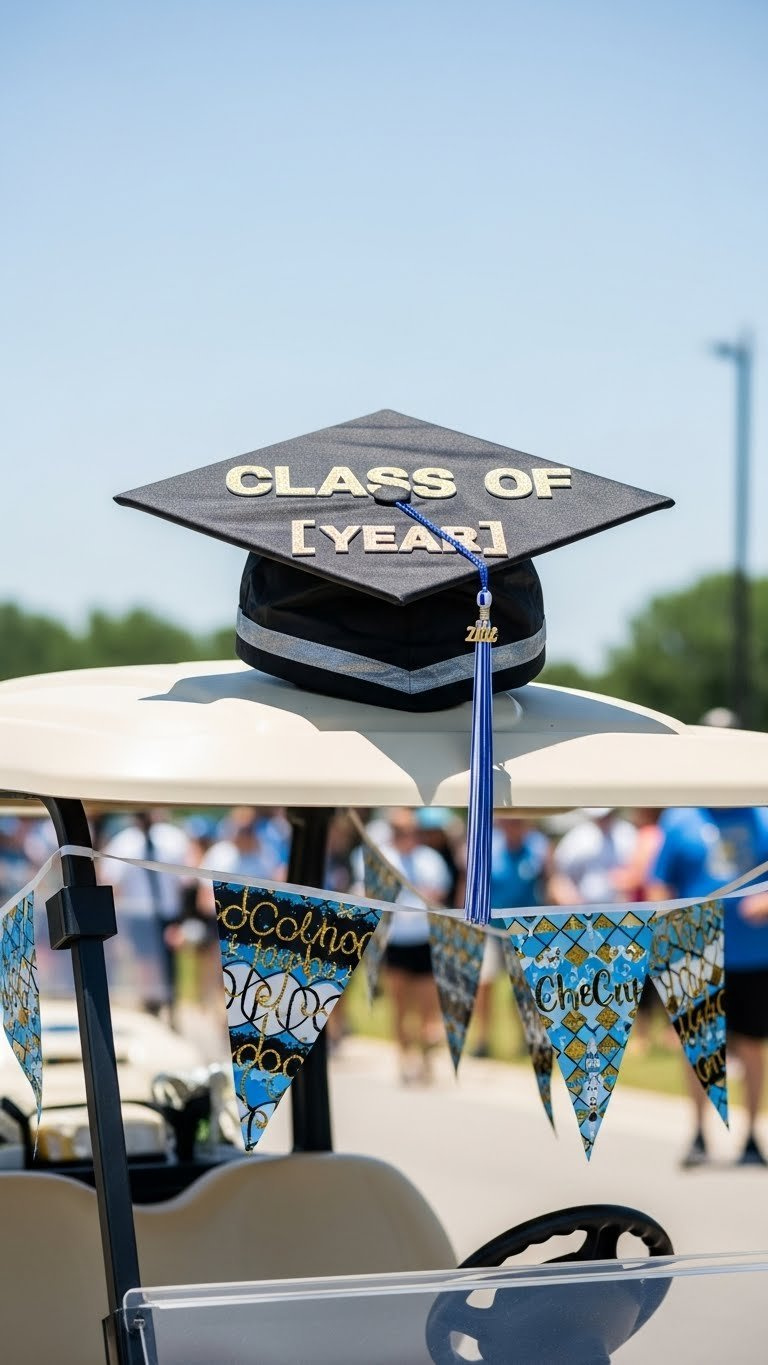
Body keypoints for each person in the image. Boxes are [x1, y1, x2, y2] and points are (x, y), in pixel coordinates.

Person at [650, 806, 768, 1167]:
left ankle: (751, 1137)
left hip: (754, 955)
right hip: (695, 953)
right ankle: (699, 1133)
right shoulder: (680, 819)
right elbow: (659, 884)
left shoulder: (763, 817)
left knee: (752, 1045)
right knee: (698, 1048)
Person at [380, 809, 451, 1084]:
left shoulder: (429, 859)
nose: (404, 837)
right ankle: (403, 1056)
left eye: (408, 832)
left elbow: (440, 892)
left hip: (423, 938)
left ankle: (425, 1058)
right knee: (399, 1005)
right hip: (395, 939)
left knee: (426, 1005)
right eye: (399, 832)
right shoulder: (384, 858)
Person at [473, 818, 549, 1058]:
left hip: (526, 930)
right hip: (490, 927)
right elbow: (473, 885)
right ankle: (482, 1039)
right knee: (485, 983)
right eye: (510, 822)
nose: (514, 826)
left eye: (519, 822)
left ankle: (528, 1039)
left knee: (525, 988)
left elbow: (549, 881)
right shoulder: (487, 846)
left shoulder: (538, 848)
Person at [548, 808, 636, 906]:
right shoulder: (577, 837)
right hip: (585, 911)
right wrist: (572, 902)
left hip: (620, 908)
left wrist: (626, 880)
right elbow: (559, 877)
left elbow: (639, 873)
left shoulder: (628, 834)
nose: (602, 820)